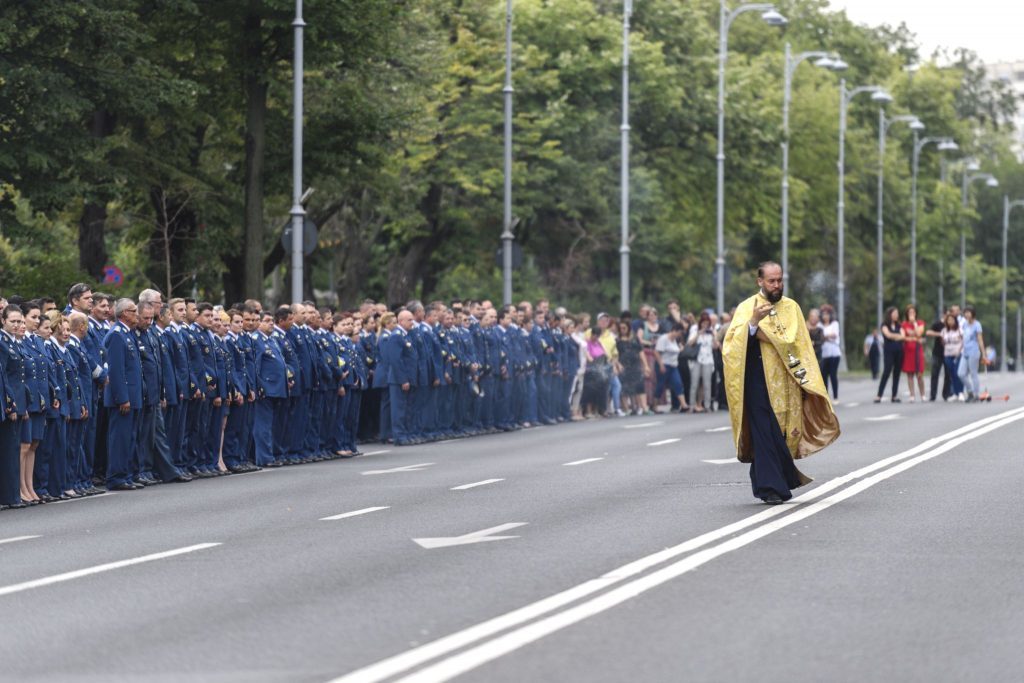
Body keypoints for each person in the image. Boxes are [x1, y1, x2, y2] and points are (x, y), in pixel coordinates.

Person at [722, 262, 839, 504]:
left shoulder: (792, 308)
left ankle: (773, 477)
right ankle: (771, 488)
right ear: (760, 282)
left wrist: (807, 384)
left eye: (779, 280)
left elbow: (801, 346)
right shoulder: (747, 308)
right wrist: (753, 324)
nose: (777, 285)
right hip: (757, 383)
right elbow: (731, 347)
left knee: (780, 435)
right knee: (764, 433)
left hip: (787, 384)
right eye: (772, 281)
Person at [686, 312, 718, 413]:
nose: (705, 325)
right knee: (694, 383)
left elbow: (716, 347)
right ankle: (692, 405)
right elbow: (690, 343)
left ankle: (707, 405)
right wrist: (699, 333)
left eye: (707, 323)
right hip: (697, 359)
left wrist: (714, 336)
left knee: (706, 384)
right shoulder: (695, 329)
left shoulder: (712, 331)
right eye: (703, 323)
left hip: (708, 360)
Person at [654, 323, 688, 412]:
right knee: (660, 386)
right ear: (674, 331)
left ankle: (684, 405)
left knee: (678, 383)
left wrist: (681, 348)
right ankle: (654, 406)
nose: (679, 335)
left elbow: (675, 350)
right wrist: (661, 364)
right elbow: (657, 352)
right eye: (679, 333)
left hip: (673, 366)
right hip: (664, 364)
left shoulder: (675, 341)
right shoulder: (664, 339)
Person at [616, 320, 648, 415]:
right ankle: (626, 408)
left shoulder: (634, 338)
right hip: (624, 365)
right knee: (624, 387)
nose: (622, 330)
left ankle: (644, 407)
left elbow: (640, 351)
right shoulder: (617, 340)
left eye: (624, 328)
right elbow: (615, 355)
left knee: (639, 385)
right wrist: (617, 364)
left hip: (635, 364)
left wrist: (645, 365)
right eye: (620, 328)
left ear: (628, 328)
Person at [875, 307, 904, 403]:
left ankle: (894, 395)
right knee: (887, 371)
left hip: (899, 351)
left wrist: (895, 337)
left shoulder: (899, 325)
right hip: (889, 352)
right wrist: (897, 336)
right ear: (890, 314)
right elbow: (888, 335)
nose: (896, 315)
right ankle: (879, 395)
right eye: (895, 313)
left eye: (897, 313)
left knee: (897, 373)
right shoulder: (884, 325)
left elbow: (903, 336)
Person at [958, 306, 987, 402]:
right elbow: (964, 338)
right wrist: (960, 349)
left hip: (974, 352)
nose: (966, 314)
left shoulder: (977, 325)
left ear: (973, 314)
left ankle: (975, 394)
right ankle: (970, 391)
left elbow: (980, 340)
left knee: (973, 373)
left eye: (968, 312)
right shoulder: (965, 324)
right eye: (965, 312)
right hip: (965, 352)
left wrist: (984, 354)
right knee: (961, 373)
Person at [900, 305, 926, 403]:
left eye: (913, 312)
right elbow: (903, 337)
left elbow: (919, 333)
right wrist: (913, 338)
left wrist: (914, 324)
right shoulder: (904, 324)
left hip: (917, 350)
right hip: (908, 351)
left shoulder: (920, 323)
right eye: (909, 313)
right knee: (909, 374)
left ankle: (922, 394)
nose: (911, 314)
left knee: (919, 374)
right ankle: (912, 395)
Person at [924, 311, 951, 401]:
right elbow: (928, 332)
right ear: (943, 314)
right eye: (946, 315)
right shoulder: (938, 324)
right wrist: (939, 334)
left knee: (948, 375)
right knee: (935, 374)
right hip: (937, 353)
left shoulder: (952, 325)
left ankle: (946, 394)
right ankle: (933, 395)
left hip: (949, 352)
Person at [939, 313, 965, 401]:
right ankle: (955, 393)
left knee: (957, 373)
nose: (950, 322)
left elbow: (963, 341)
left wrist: (959, 351)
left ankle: (961, 392)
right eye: (948, 320)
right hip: (947, 354)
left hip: (957, 353)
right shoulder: (944, 331)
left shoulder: (959, 330)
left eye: (952, 320)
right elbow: (942, 342)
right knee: (951, 374)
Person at [818, 305, 841, 401]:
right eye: (823, 314)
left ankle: (835, 396)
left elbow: (834, 335)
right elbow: (819, 337)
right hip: (824, 353)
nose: (825, 316)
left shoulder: (834, 323)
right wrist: (827, 336)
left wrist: (825, 336)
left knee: (833, 374)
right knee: (823, 375)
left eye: (827, 314)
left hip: (834, 353)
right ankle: (826, 397)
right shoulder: (819, 325)